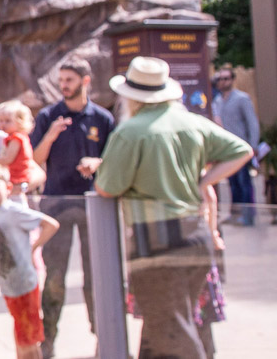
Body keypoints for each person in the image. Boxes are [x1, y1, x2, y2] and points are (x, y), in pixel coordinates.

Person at [95, 56, 252, 359]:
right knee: (163, 325)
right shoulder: (192, 122)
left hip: (155, 238)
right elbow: (241, 150)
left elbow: (106, 187)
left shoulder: (130, 132)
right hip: (195, 233)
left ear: (130, 95)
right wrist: (202, 182)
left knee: (172, 328)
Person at [29, 56, 115, 358]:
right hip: (56, 205)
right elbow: (34, 161)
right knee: (54, 277)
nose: (63, 86)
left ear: (85, 81)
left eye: (69, 80)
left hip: (95, 207)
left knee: (98, 276)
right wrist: (51, 135)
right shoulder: (48, 116)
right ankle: (48, 341)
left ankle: (104, 339)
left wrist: (98, 162)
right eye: (61, 80)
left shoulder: (103, 119)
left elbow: (117, 160)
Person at [0, 164, 60, 359]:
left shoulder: (14, 211)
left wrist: (32, 248)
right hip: (9, 287)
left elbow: (51, 225)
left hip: (24, 286)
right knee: (25, 337)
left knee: (27, 340)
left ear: (8, 188)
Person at [211, 66, 260, 226]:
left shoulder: (242, 98)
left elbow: (252, 123)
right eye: (220, 79)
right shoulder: (217, 101)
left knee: (244, 182)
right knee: (232, 183)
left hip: (241, 147)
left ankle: (248, 216)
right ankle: (236, 214)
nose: (223, 82)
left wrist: (253, 145)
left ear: (232, 80)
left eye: (226, 78)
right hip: (226, 149)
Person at [0, 100, 46, 199]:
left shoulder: (16, 139)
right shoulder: (15, 137)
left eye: (8, 121)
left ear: (20, 122)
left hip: (18, 179)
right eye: (1, 121)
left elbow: (8, 159)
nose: (3, 124)